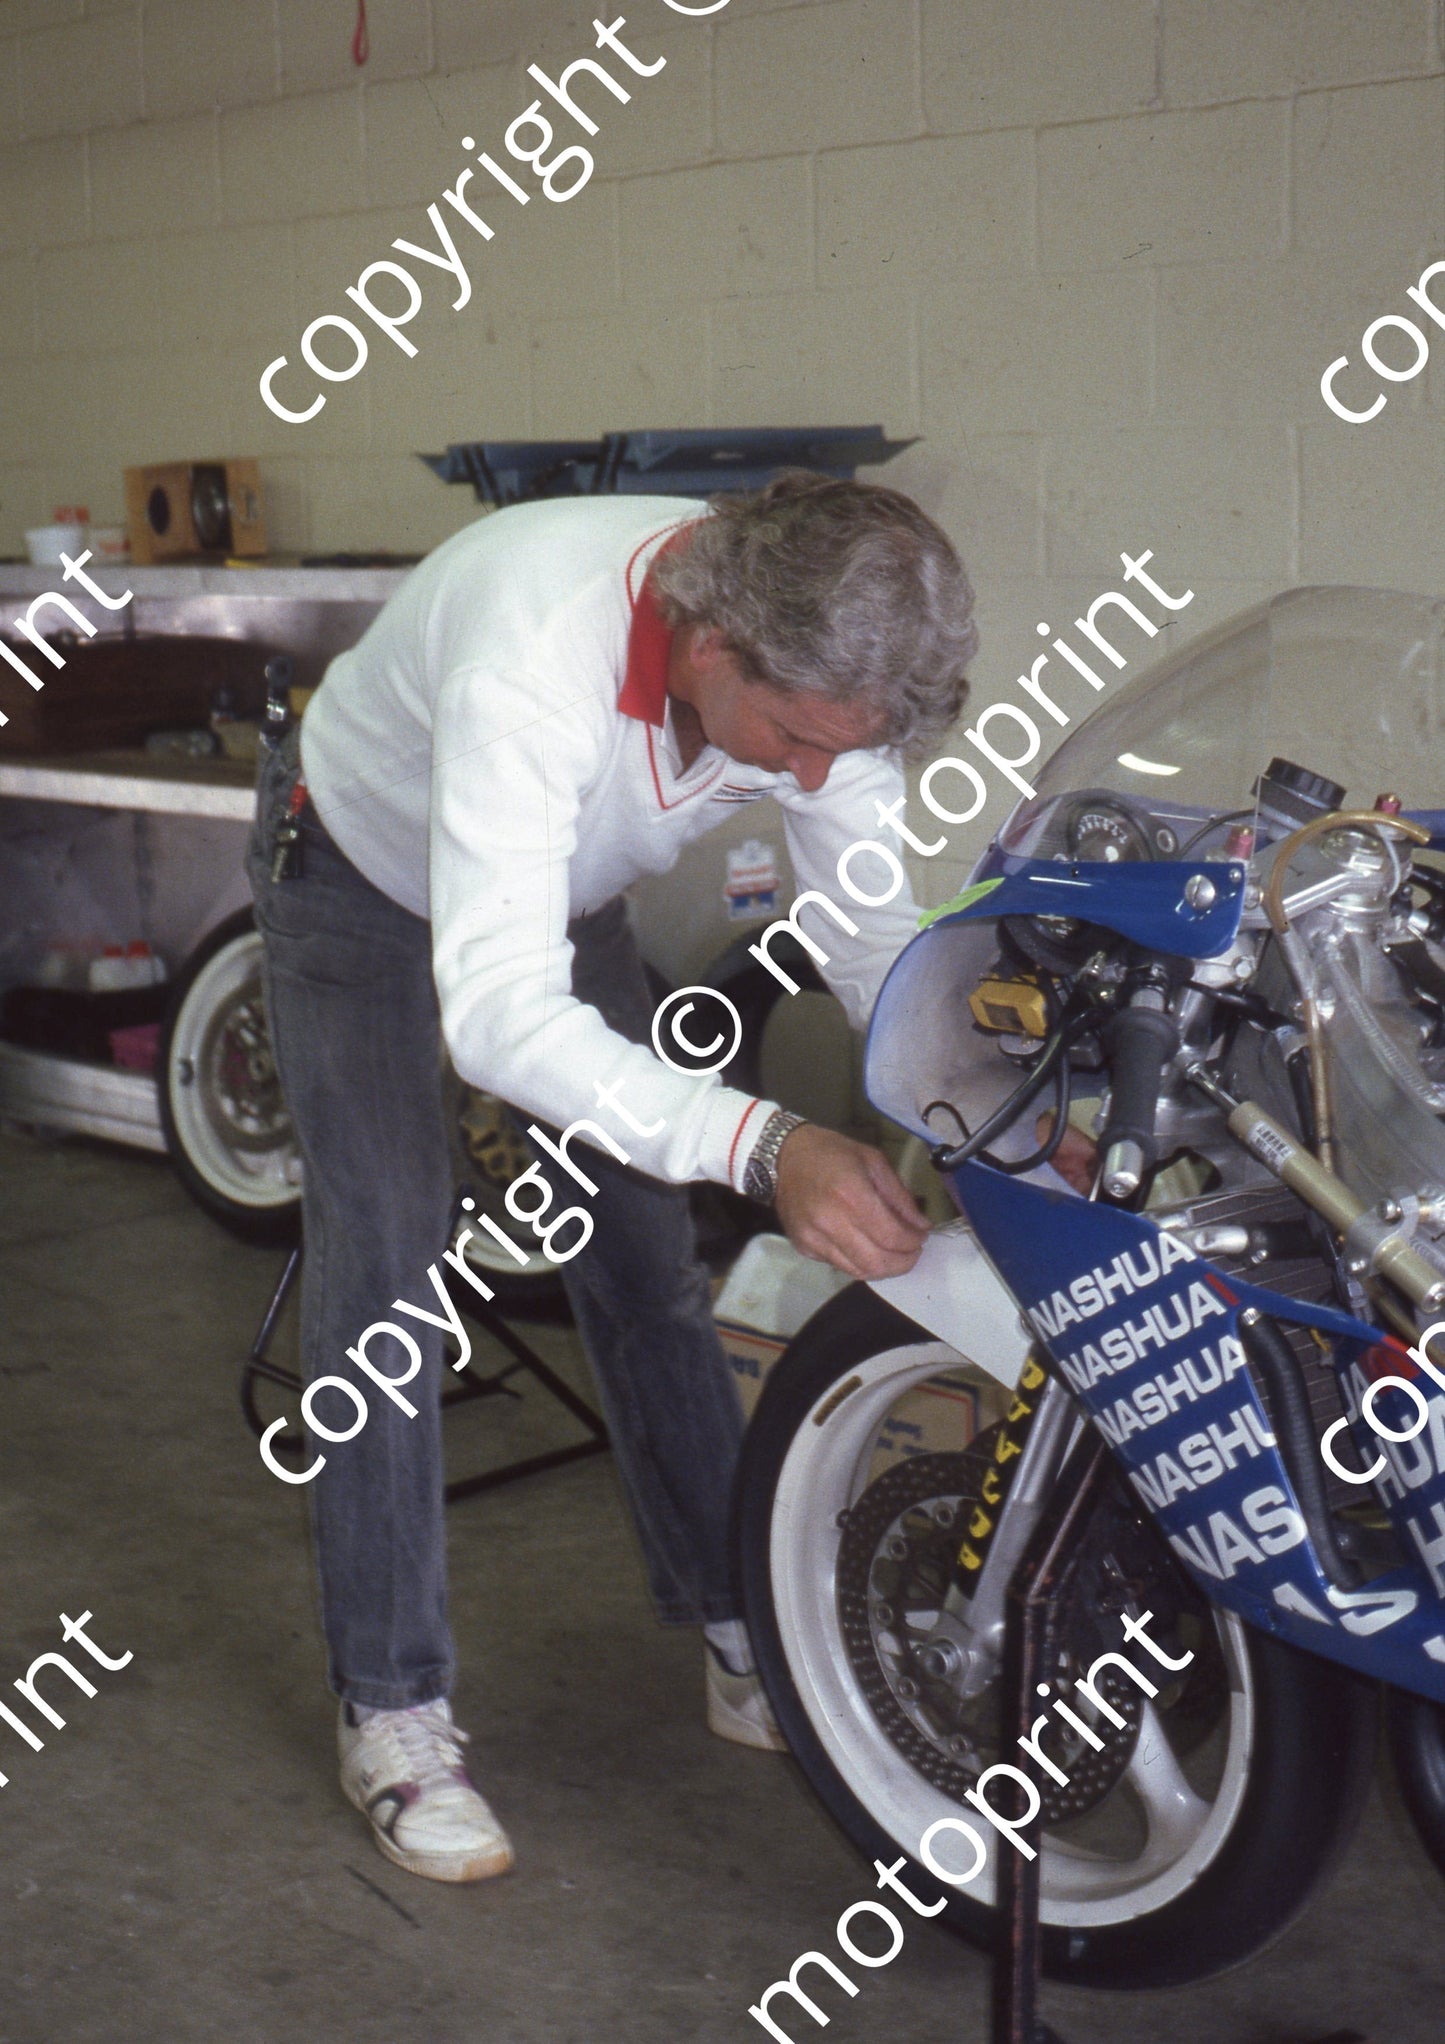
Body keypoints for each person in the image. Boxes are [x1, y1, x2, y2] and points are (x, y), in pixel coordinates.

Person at [246, 471, 977, 1885]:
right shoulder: (541, 648)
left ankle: (729, 1623)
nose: (815, 781)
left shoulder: (825, 674)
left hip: (554, 894)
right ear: (710, 647)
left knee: (642, 1248)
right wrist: (766, 1142)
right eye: (795, 747)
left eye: (847, 754)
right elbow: (501, 1019)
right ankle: (391, 1708)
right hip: (352, 869)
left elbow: (871, 940)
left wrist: (982, 1109)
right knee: (391, 1267)